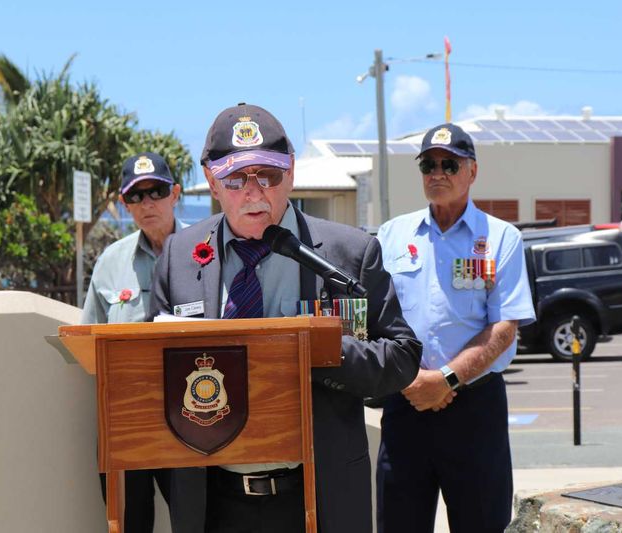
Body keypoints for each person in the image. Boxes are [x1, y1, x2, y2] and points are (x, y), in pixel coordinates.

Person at [149, 103, 421, 533]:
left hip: (318, 494)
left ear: (291, 172)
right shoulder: (179, 256)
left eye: (268, 176)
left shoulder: (349, 252)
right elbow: (151, 376)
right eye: (235, 178)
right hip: (214, 500)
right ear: (211, 182)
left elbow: (402, 357)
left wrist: (320, 351)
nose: (254, 193)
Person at [375, 123, 536, 533]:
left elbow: (504, 327)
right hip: (406, 404)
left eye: (449, 164)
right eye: (428, 164)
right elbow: (378, 317)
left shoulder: (501, 238)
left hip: (473, 410)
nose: (437, 173)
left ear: (472, 171)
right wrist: (413, 381)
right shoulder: (392, 235)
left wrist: (446, 379)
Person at [82, 152, 203, 532]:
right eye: (136, 195)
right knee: (129, 521)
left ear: (175, 194)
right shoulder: (110, 262)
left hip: (195, 415)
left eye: (157, 192)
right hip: (127, 415)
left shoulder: (207, 251)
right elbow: (89, 340)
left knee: (197, 520)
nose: (147, 203)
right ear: (125, 203)